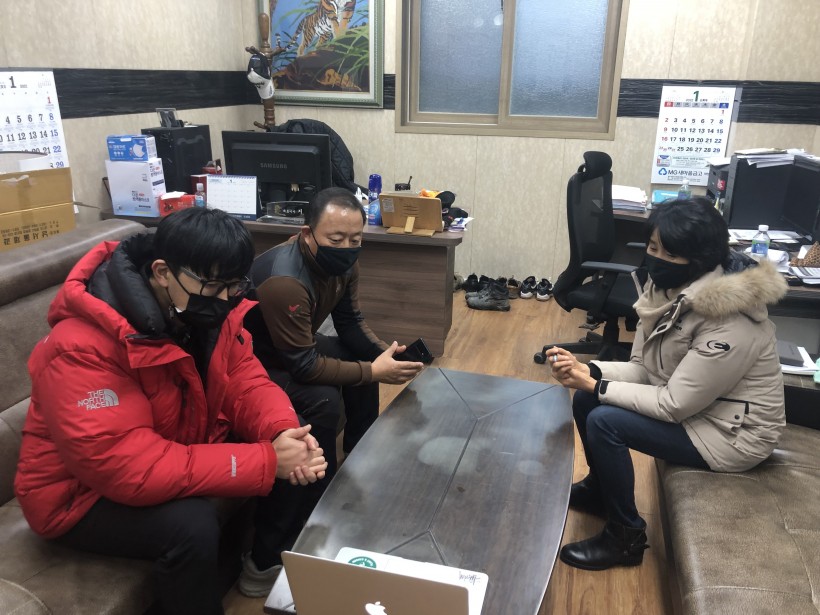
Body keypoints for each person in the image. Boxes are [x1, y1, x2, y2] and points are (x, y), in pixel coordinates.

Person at [14, 208, 328, 615]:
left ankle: (266, 565)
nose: (225, 298)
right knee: (191, 525)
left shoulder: (197, 309)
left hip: (171, 440)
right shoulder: (80, 347)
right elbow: (124, 465)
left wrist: (282, 433)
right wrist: (267, 460)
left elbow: (244, 379)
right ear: (162, 272)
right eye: (214, 285)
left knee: (300, 429)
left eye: (235, 286)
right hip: (79, 496)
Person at [547, 197, 787, 571]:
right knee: (586, 400)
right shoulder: (666, 291)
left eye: (669, 253)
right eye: (653, 247)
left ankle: (625, 537)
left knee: (606, 421)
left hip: (734, 434)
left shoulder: (731, 320)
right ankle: (599, 491)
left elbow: (673, 404)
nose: (656, 259)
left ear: (700, 258)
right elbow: (645, 369)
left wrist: (596, 385)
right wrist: (588, 370)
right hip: (701, 408)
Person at [244, 187, 425, 563]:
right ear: (307, 233)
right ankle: (320, 499)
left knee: (358, 358)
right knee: (325, 399)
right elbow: (304, 366)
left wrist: (384, 356)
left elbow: (350, 323)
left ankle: (360, 458)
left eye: (355, 239)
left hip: (293, 347)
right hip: (256, 361)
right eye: (336, 238)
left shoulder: (344, 264)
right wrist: (372, 370)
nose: (347, 247)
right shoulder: (285, 281)